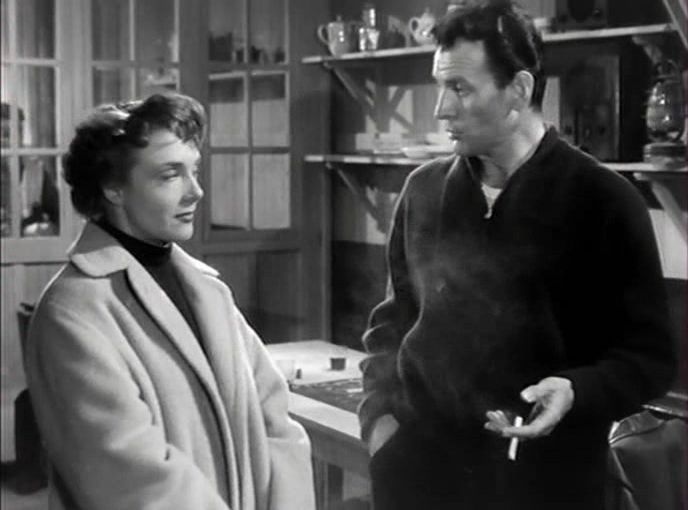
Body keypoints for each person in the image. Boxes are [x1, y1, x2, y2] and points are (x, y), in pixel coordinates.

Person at [358, 2, 676, 509]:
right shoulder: (423, 190)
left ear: (520, 90)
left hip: (549, 486)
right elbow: (390, 326)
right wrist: (379, 425)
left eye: (460, 88)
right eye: (440, 86)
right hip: (418, 480)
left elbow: (651, 361)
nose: (441, 109)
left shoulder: (604, 200)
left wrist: (576, 390)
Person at [23, 92, 315, 510]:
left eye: (195, 170)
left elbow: (276, 421)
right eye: (169, 175)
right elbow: (131, 478)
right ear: (113, 187)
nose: (196, 191)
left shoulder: (208, 289)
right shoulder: (73, 310)